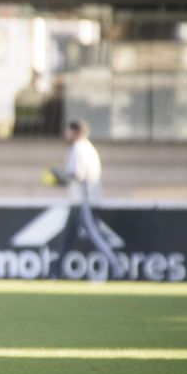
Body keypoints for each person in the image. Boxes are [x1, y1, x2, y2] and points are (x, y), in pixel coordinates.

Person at [49, 118, 124, 280]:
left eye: (68, 131)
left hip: (83, 202)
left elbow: (79, 174)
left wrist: (59, 177)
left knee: (94, 235)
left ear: (75, 132)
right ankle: (54, 272)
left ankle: (117, 267)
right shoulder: (88, 148)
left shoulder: (78, 149)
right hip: (84, 200)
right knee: (67, 239)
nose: (65, 134)